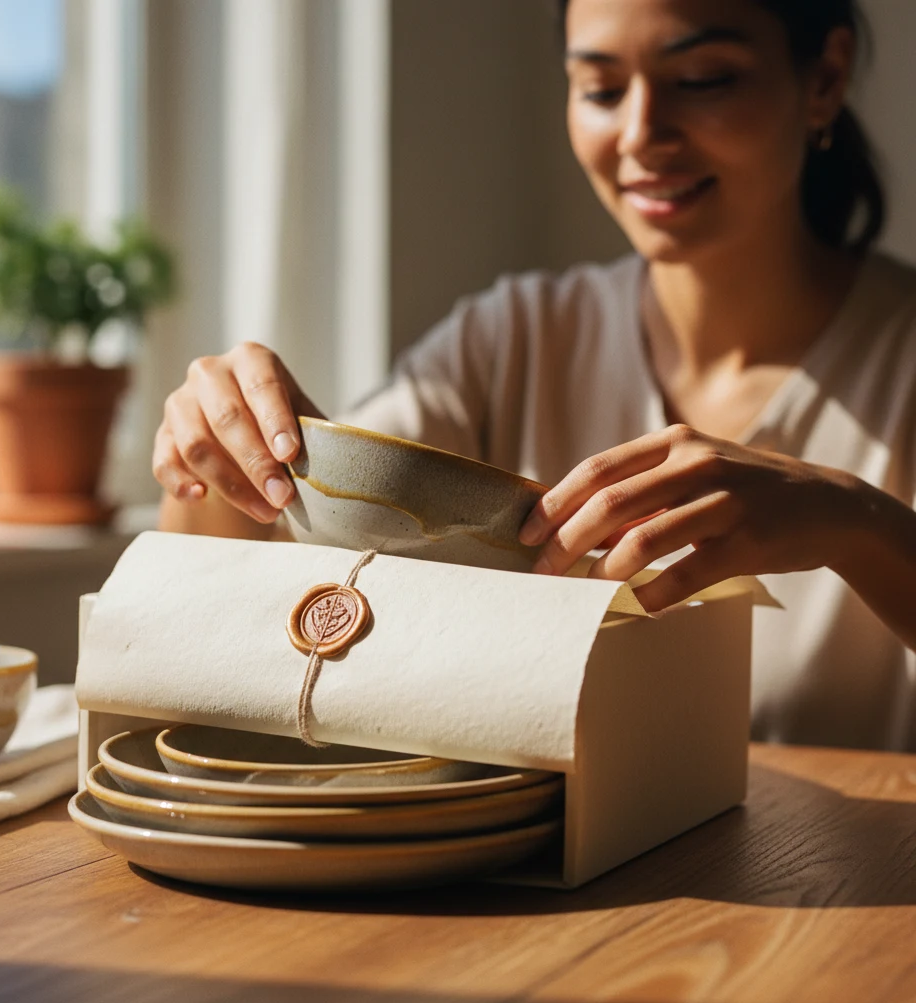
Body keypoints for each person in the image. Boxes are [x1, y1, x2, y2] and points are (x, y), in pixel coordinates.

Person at [152, 0, 916, 750]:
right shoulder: (512, 339)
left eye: (705, 79)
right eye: (602, 89)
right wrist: (220, 452)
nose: (642, 134)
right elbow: (237, 589)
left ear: (824, 78)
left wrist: (856, 523)